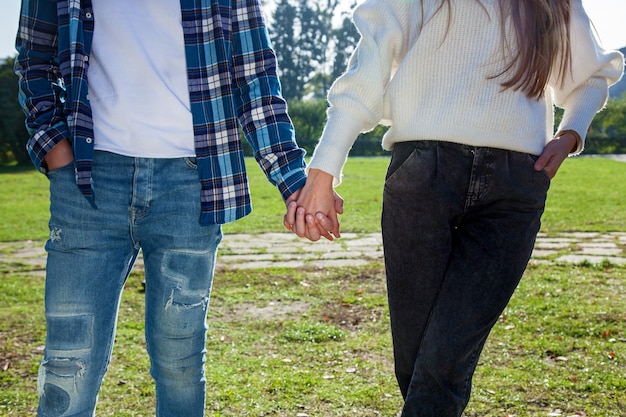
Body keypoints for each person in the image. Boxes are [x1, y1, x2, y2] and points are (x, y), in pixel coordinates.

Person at [284, 0, 624, 415]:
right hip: (424, 175)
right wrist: (322, 172)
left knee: (443, 363)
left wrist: (571, 132)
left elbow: (590, 76)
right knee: (416, 364)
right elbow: (368, 71)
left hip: (513, 188)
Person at [14, 0, 320, 416]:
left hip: (190, 185)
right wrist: (56, 151)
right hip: (88, 182)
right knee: (69, 362)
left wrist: (294, 182)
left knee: (180, 363)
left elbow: (255, 80)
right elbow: (34, 59)